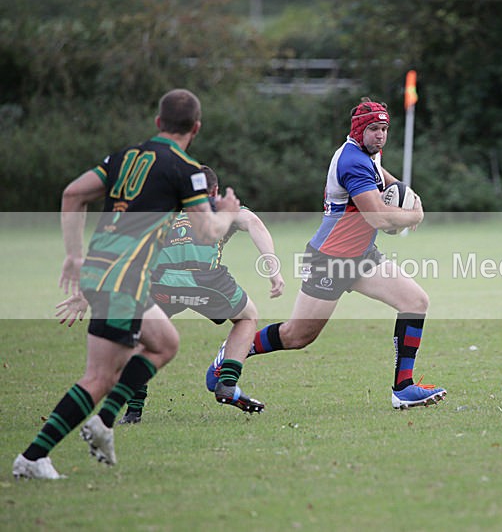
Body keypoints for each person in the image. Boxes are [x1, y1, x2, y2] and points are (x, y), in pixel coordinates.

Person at [12, 89, 240, 480]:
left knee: (165, 343)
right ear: (196, 129)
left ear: (158, 123)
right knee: (99, 377)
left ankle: (103, 423)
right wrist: (229, 213)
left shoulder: (123, 157)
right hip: (122, 279)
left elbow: (72, 193)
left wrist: (74, 254)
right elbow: (205, 231)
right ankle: (33, 457)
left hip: (110, 271)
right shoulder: (187, 169)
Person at [206, 98, 446, 410]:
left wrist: (402, 189)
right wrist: (412, 215)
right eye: (374, 129)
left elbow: (381, 173)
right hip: (329, 261)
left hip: (361, 256)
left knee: (415, 301)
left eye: (384, 129)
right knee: (297, 336)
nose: (380, 135)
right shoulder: (352, 162)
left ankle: (403, 388)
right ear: (359, 131)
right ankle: (231, 353)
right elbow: (376, 217)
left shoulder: (367, 153)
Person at [115, 164, 285, 423]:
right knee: (247, 317)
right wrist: (273, 268)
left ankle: (133, 410)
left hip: (161, 283)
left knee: (141, 338)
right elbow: (254, 223)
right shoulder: (218, 205)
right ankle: (227, 382)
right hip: (207, 283)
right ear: (214, 190)